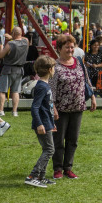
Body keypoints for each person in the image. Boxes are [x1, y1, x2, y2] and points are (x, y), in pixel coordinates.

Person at [50, 35, 97, 179]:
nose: (70, 50)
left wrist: (93, 97)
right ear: (59, 49)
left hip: (78, 106)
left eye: (72, 47)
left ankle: (68, 168)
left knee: (73, 140)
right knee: (58, 140)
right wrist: (54, 108)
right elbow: (51, 89)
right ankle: (57, 169)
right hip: (61, 109)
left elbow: (86, 80)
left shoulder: (78, 62)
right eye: (67, 47)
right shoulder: (55, 66)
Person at [25, 56, 57, 188]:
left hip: (47, 122)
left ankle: (41, 177)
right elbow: (35, 107)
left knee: (47, 149)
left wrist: (51, 120)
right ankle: (32, 176)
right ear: (50, 70)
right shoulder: (42, 87)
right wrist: (39, 124)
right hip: (42, 124)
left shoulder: (44, 85)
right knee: (49, 150)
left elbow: (46, 106)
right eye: (54, 67)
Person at [0, 27, 29, 118]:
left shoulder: (10, 44)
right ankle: (14, 111)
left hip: (8, 69)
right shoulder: (25, 42)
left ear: (14, 33)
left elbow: (1, 55)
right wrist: (12, 36)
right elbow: (24, 38)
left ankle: (1, 110)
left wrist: (1, 47)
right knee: (15, 91)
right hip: (20, 70)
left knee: (2, 90)